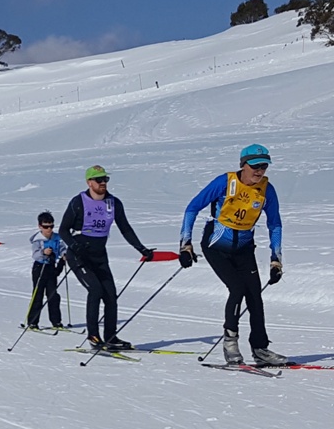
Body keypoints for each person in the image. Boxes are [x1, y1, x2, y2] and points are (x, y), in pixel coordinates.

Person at [179, 144, 287, 366]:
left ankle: (260, 349)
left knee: (255, 296)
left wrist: (276, 259)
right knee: (237, 289)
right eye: (255, 166)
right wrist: (185, 245)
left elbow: (274, 224)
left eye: (264, 166)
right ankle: (230, 345)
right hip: (216, 245)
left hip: (244, 248)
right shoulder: (225, 182)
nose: (259, 171)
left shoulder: (267, 190)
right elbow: (192, 207)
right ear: (243, 165)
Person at [60, 165, 155, 351]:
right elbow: (63, 229)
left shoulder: (113, 203)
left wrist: (141, 249)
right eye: (99, 180)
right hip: (79, 255)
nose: (103, 183)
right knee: (95, 290)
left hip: (99, 255)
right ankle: (93, 336)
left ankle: (111, 337)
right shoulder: (78, 202)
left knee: (111, 295)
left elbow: (125, 228)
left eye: (105, 179)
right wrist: (74, 245)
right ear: (89, 182)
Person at [26, 211, 67, 330]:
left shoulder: (56, 238)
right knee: (37, 295)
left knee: (53, 295)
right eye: (46, 227)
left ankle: (56, 321)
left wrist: (64, 255)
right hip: (40, 267)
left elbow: (62, 248)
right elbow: (35, 255)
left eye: (51, 226)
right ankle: (33, 322)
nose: (49, 229)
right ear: (40, 227)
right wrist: (43, 253)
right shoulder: (38, 239)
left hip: (51, 267)